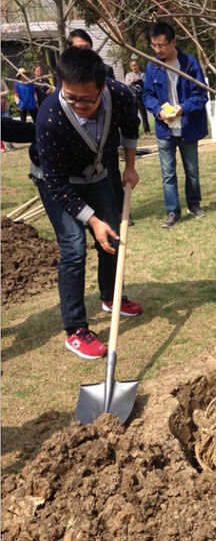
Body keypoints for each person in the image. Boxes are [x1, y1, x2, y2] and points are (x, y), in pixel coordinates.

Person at [29, 48, 142, 359]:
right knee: (73, 248)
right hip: (57, 181)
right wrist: (92, 220)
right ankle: (76, 329)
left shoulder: (118, 94)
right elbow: (57, 184)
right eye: (70, 96)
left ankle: (111, 296)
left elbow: (131, 128)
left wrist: (129, 166)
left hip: (96, 174)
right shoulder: (50, 117)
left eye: (86, 100)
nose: (78, 105)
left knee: (113, 238)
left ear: (102, 87)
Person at [143, 22, 208, 228]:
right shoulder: (152, 66)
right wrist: (159, 111)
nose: (157, 50)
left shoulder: (189, 64)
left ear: (173, 42)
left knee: (192, 171)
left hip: (187, 126)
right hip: (165, 130)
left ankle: (194, 204)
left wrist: (182, 108)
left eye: (161, 46)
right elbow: (147, 95)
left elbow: (201, 94)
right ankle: (173, 211)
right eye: (153, 46)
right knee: (168, 173)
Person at [66, 29, 124, 216]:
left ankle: (120, 209)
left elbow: (116, 103)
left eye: (87, 48)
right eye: (79, 48)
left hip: (105, 135)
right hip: (79, 138)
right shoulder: (66, 75)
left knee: (111, 172)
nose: (84, 53)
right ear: (69, 49)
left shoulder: (105, 72)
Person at [125, 59, 150, 134]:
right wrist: (131, 80)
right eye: (132, 66)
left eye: (135, 65)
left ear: (138, 65)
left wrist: (138, 79)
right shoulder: (128, 75)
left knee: (143, 114)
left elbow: (146, 84)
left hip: (140, 97)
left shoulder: (143, 75)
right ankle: (135, 130)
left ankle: (147, 129)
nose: (134, 67)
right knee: (133, 115)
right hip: (132, 97)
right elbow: (126, 85)